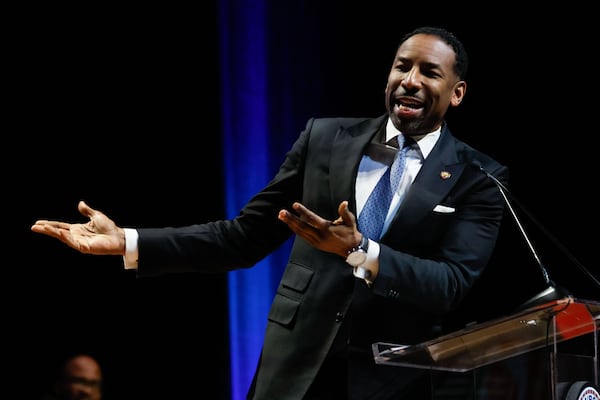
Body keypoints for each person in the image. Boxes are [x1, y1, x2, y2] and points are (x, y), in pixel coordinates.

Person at [31, 26, 508, 399]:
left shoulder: (478, 176)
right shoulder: (324, 138)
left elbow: (450, 285)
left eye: (429, 72)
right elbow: (241, 238)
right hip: (294, 368)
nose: (410, 80)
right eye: (402, 66)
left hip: (391, 380)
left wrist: (363, 251)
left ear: (457, 92)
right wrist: (129, 241)